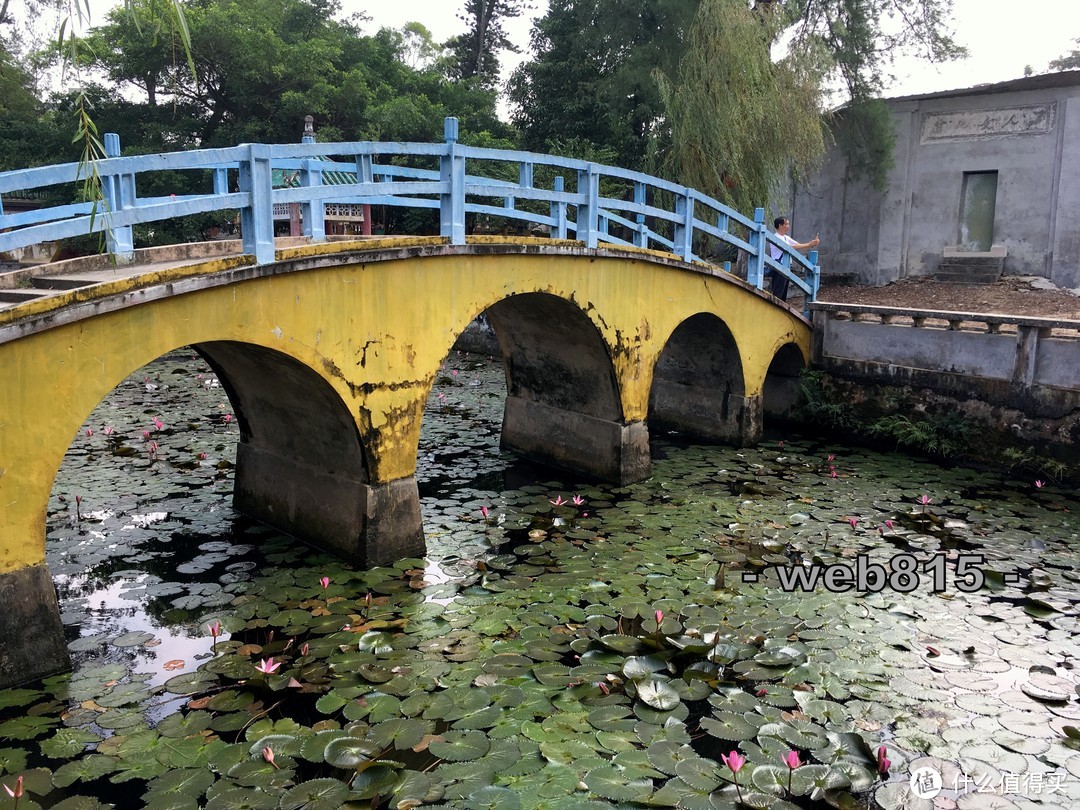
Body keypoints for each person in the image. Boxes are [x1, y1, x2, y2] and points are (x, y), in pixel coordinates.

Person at [768, 217, 819, 299]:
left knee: (783, 292)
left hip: (786, 266)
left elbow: (798, 245)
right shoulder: (776, 237)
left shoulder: (786, 237)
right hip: (779, 267)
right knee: (778, 292)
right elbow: (789, 247)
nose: (788, 226)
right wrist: (808, 244)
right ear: (780, 225)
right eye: (786, 224)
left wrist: (811, 244)